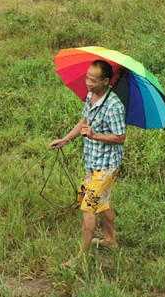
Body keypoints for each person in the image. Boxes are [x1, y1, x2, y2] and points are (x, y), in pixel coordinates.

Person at [49, 60, 126, 266]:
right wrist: (66, 139)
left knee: (88, 208)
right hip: (92, 163)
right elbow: (84, 121)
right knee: (104, 202)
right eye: (87, 78)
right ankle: (110, 240)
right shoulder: (91, 97)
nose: (88, 83)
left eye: (93, 80)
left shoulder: (114, 106)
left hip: (106, 167)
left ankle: (80, 258)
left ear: (106, 81)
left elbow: (120, 137)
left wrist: (95, 135)